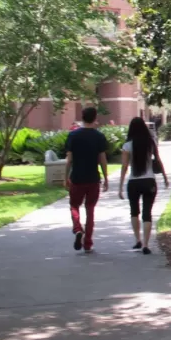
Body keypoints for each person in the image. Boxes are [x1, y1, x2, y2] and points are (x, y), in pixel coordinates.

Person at [118, 116, 169, 255]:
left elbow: (124, 166)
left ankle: (137, 240)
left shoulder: (127, 145)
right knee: (147, 213)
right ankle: (146, 244)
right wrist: (165, 177)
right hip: (149, 181)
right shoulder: (150, 142)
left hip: (134, 182)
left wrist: (120, 186)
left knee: (134, 211)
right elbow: (158, 161)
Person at [65, 106, 109, 253]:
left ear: (82, 117)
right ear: (95, 118)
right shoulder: (99, 136)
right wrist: (106, 178)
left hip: (77, 177)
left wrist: (65, 177)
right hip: (93, 178)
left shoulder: (73, 135)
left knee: (74, 205)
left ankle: (77, 228)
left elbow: (69, 159)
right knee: (90, 210)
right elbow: (102, 159)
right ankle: (88, 243)